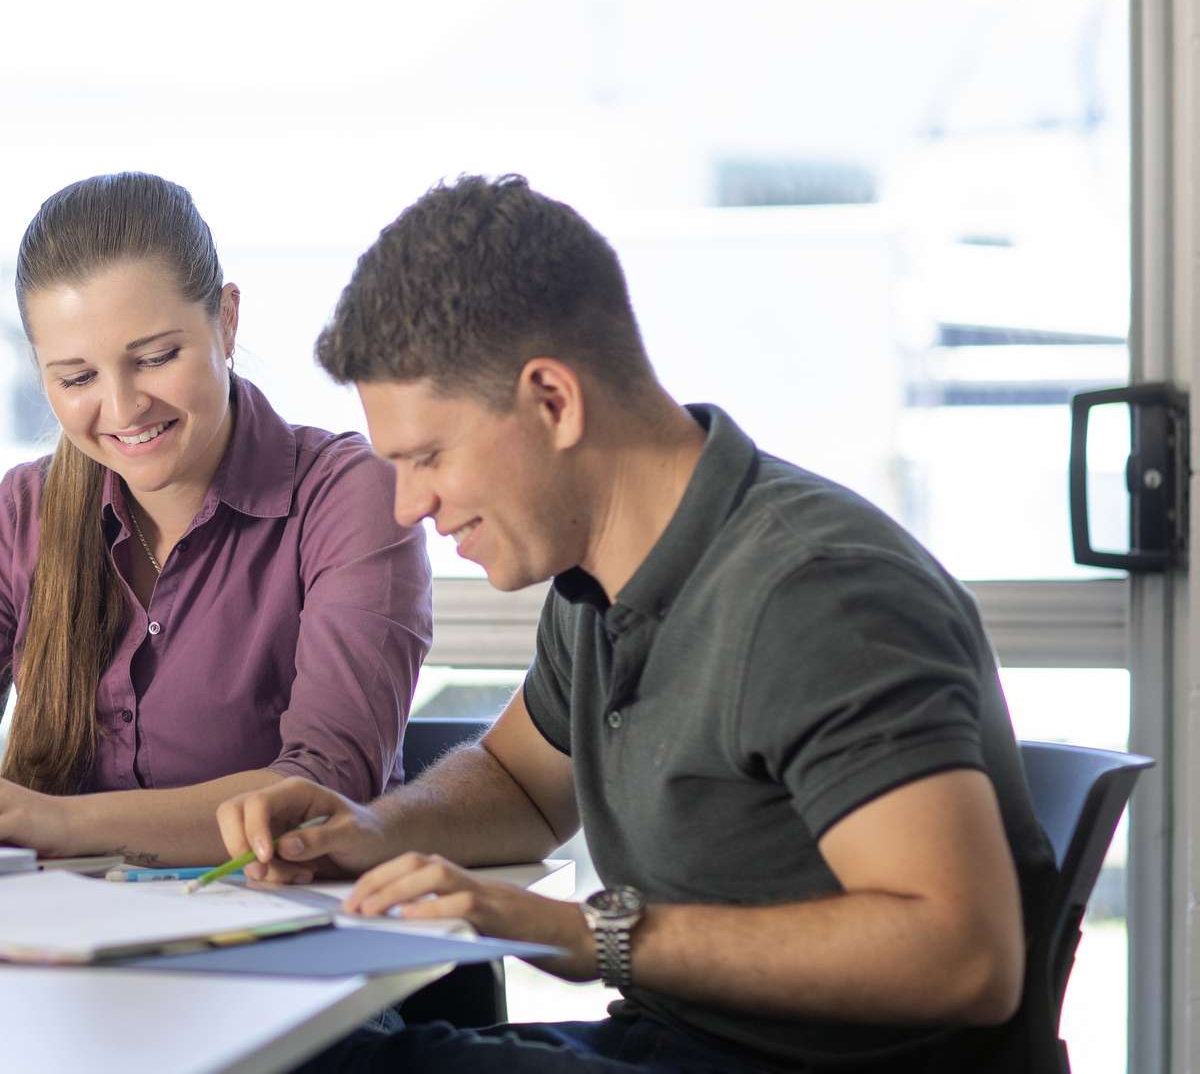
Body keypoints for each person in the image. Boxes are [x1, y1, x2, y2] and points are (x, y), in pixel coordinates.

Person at [216, 175, 1057, 1071]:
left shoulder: (817, 593)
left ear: (553, 401)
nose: (407, 504)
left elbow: (963, 955)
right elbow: (520, 784)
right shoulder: (600, 580)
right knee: (310, 1044)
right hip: (672, 1043)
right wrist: (367, 830)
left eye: (427, 456)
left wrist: (588, 935)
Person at [0, 172, 432, 867]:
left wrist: (60, 823)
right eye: (77, 379)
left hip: (297, 947)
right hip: (63, 954)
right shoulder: (20, 517)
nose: (125, 408)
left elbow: (323, 788)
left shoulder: (348, 496)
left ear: (226, 320)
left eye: (157, 358)